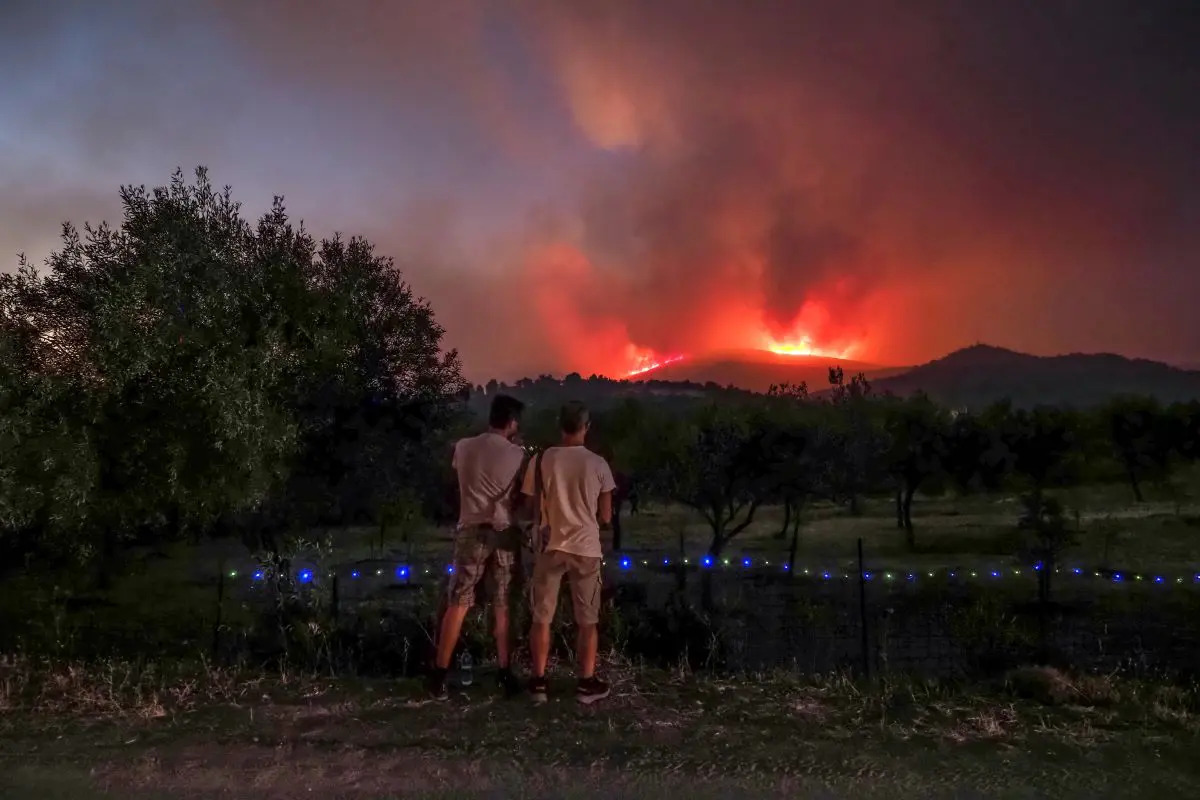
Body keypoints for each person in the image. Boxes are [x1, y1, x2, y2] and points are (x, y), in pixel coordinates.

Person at [427, 394, 527, 700]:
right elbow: (520, 496)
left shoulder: (464, 447)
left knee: (459, 601)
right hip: (503, 532)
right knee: (502, 603)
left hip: (470, 529)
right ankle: (504, 671)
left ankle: (439, 674)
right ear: (511, 422)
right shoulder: (518, 453)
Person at [522, 401, 615, 705]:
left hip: (551, 546)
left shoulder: (540, 460)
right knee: (587, 621)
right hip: (586, 548)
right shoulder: (599, 464)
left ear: (560, 426)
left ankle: (538, 683)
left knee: (542, 617)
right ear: (587, 427)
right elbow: (605, 517)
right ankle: (586, 684)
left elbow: (529, 503)